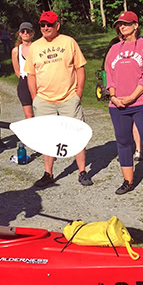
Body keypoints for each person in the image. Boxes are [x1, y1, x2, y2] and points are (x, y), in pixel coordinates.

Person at [25, 11, 93, 187]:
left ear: (57, 26)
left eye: (49, 24)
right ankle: (48, 173)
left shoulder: (68, 42)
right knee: (47, 138)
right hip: (44, 101)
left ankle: (82, 171)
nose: (45, 28)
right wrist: (35, 97)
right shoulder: (35, 47)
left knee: (77, 134)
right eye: (42, 25)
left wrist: (78, 93)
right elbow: (30, 74)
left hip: (68, 98)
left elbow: (80, 68)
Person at [105, 11, 143, 197]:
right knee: (123, 142)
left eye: (126, 23)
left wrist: (130, 98)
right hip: (118, 105)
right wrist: (113, 96)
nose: (122, 27)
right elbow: (109, 76)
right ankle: (128, 181)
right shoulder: (113, 49)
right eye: (120, 24)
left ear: (136, 25)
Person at [11, 22, 35, 119]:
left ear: (32, 33)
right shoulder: (16, 51)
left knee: (42, 111)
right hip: (24, 81)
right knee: (28, 115)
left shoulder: (37, 47)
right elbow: (17, 70)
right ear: (19, 33)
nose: (26, 33)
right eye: (23, 31)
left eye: (28, 31)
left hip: (38, 80)